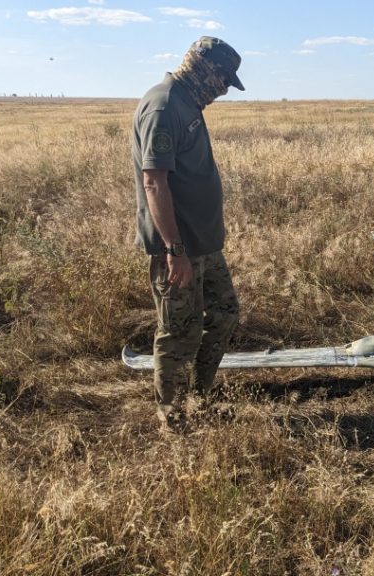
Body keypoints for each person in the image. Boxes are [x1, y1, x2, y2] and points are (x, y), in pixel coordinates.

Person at [131, 36, 244, 431]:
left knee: (225, 312)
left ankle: (201, 398)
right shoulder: (164, 105)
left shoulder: (187, 102)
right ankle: (172, 418)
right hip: (178, 249)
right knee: (179, 331)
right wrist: (174, 250)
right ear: (203, 69)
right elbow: (154, 183)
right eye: (223, 78)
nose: (225, 88)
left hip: (204, 244)